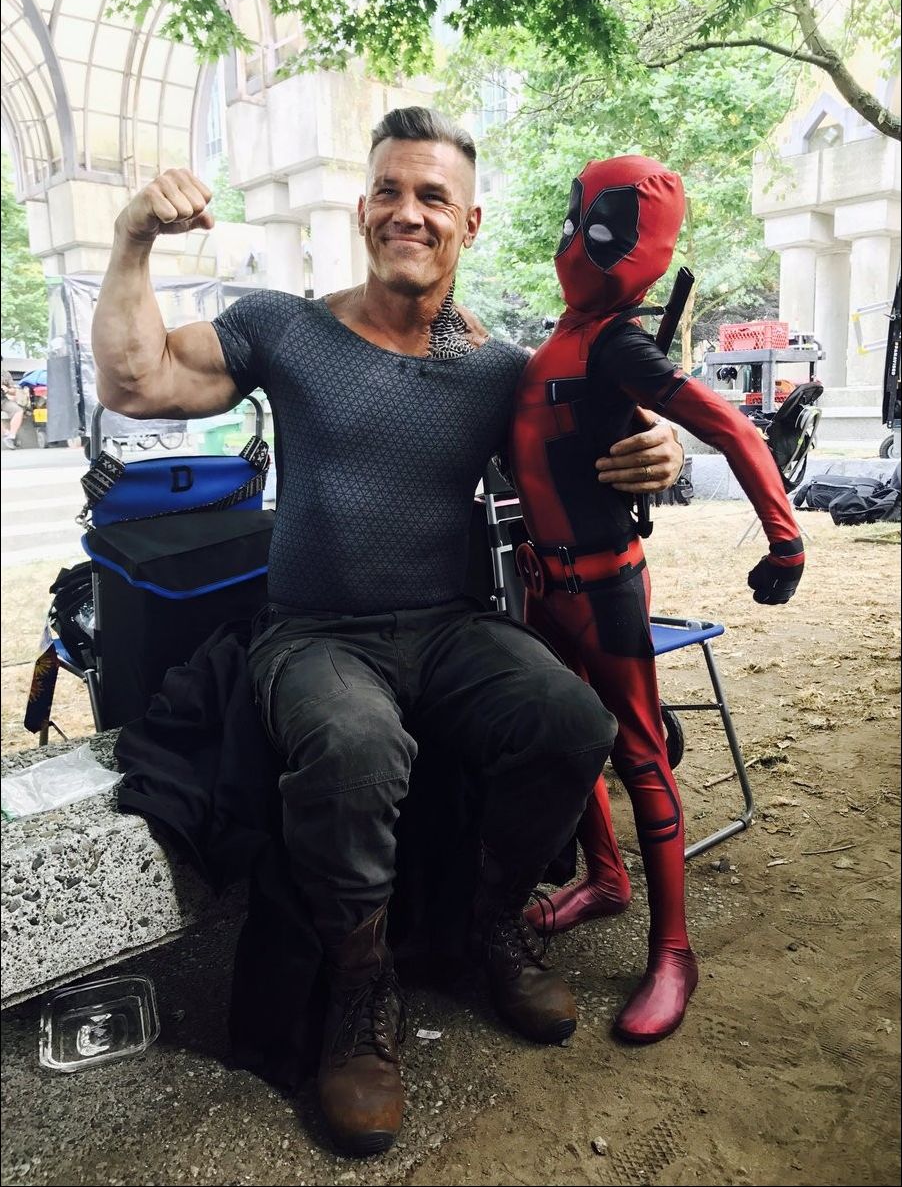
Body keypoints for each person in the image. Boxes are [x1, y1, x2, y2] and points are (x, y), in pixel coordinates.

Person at [92, 107, 684, 1157]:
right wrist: (134, 234)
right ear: (363, 208)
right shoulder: (285, 329)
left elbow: (596, 445)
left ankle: (490, 920)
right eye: (389, 191)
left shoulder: (499, 369)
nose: (408, 212)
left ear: (469, 222)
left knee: (570, 719)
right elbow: (136, 383)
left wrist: (659, 456)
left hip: (451, 627)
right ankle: (362, 986)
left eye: (432, 197)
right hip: (317, 635)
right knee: (355, 746)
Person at [509, 155, 804, 1044]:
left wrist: (785, 537)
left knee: (640, 755)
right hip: (544, 586)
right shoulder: (565, 340)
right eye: (577, 222)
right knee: (577, 743)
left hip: (605, 586)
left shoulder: (614, 344)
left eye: (600, 227)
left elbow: (732, 426)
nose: (577, 243)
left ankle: (674, 949)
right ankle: (606, 878)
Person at [1, 361, 25, 449]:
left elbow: (13, 391)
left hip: (3, 400)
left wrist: (7, 389)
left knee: (18, 410)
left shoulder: (5, 374)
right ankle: (6, 434)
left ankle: (11, 436)